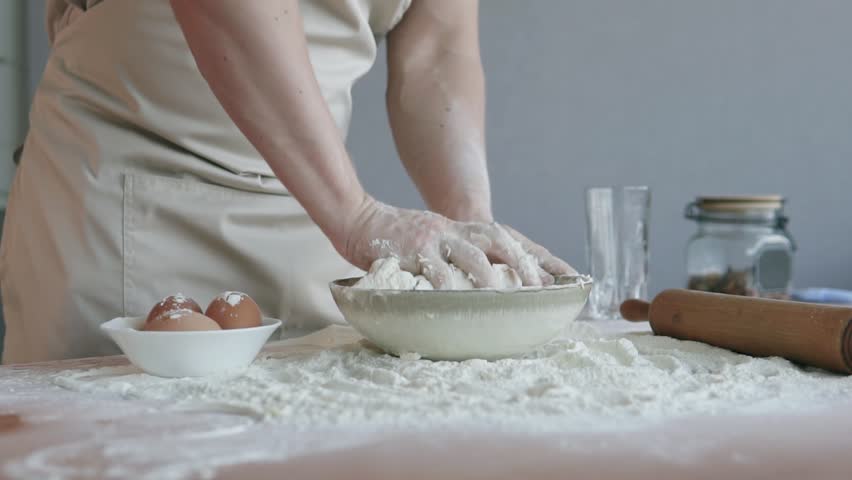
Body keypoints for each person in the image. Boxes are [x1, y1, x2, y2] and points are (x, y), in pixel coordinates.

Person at [0, 0, 575, 364]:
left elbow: (436, 52)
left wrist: (468, 220)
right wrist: (358, 217)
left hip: (313, 211)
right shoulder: (353, 218)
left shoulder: (344, 217)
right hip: (139, 196)